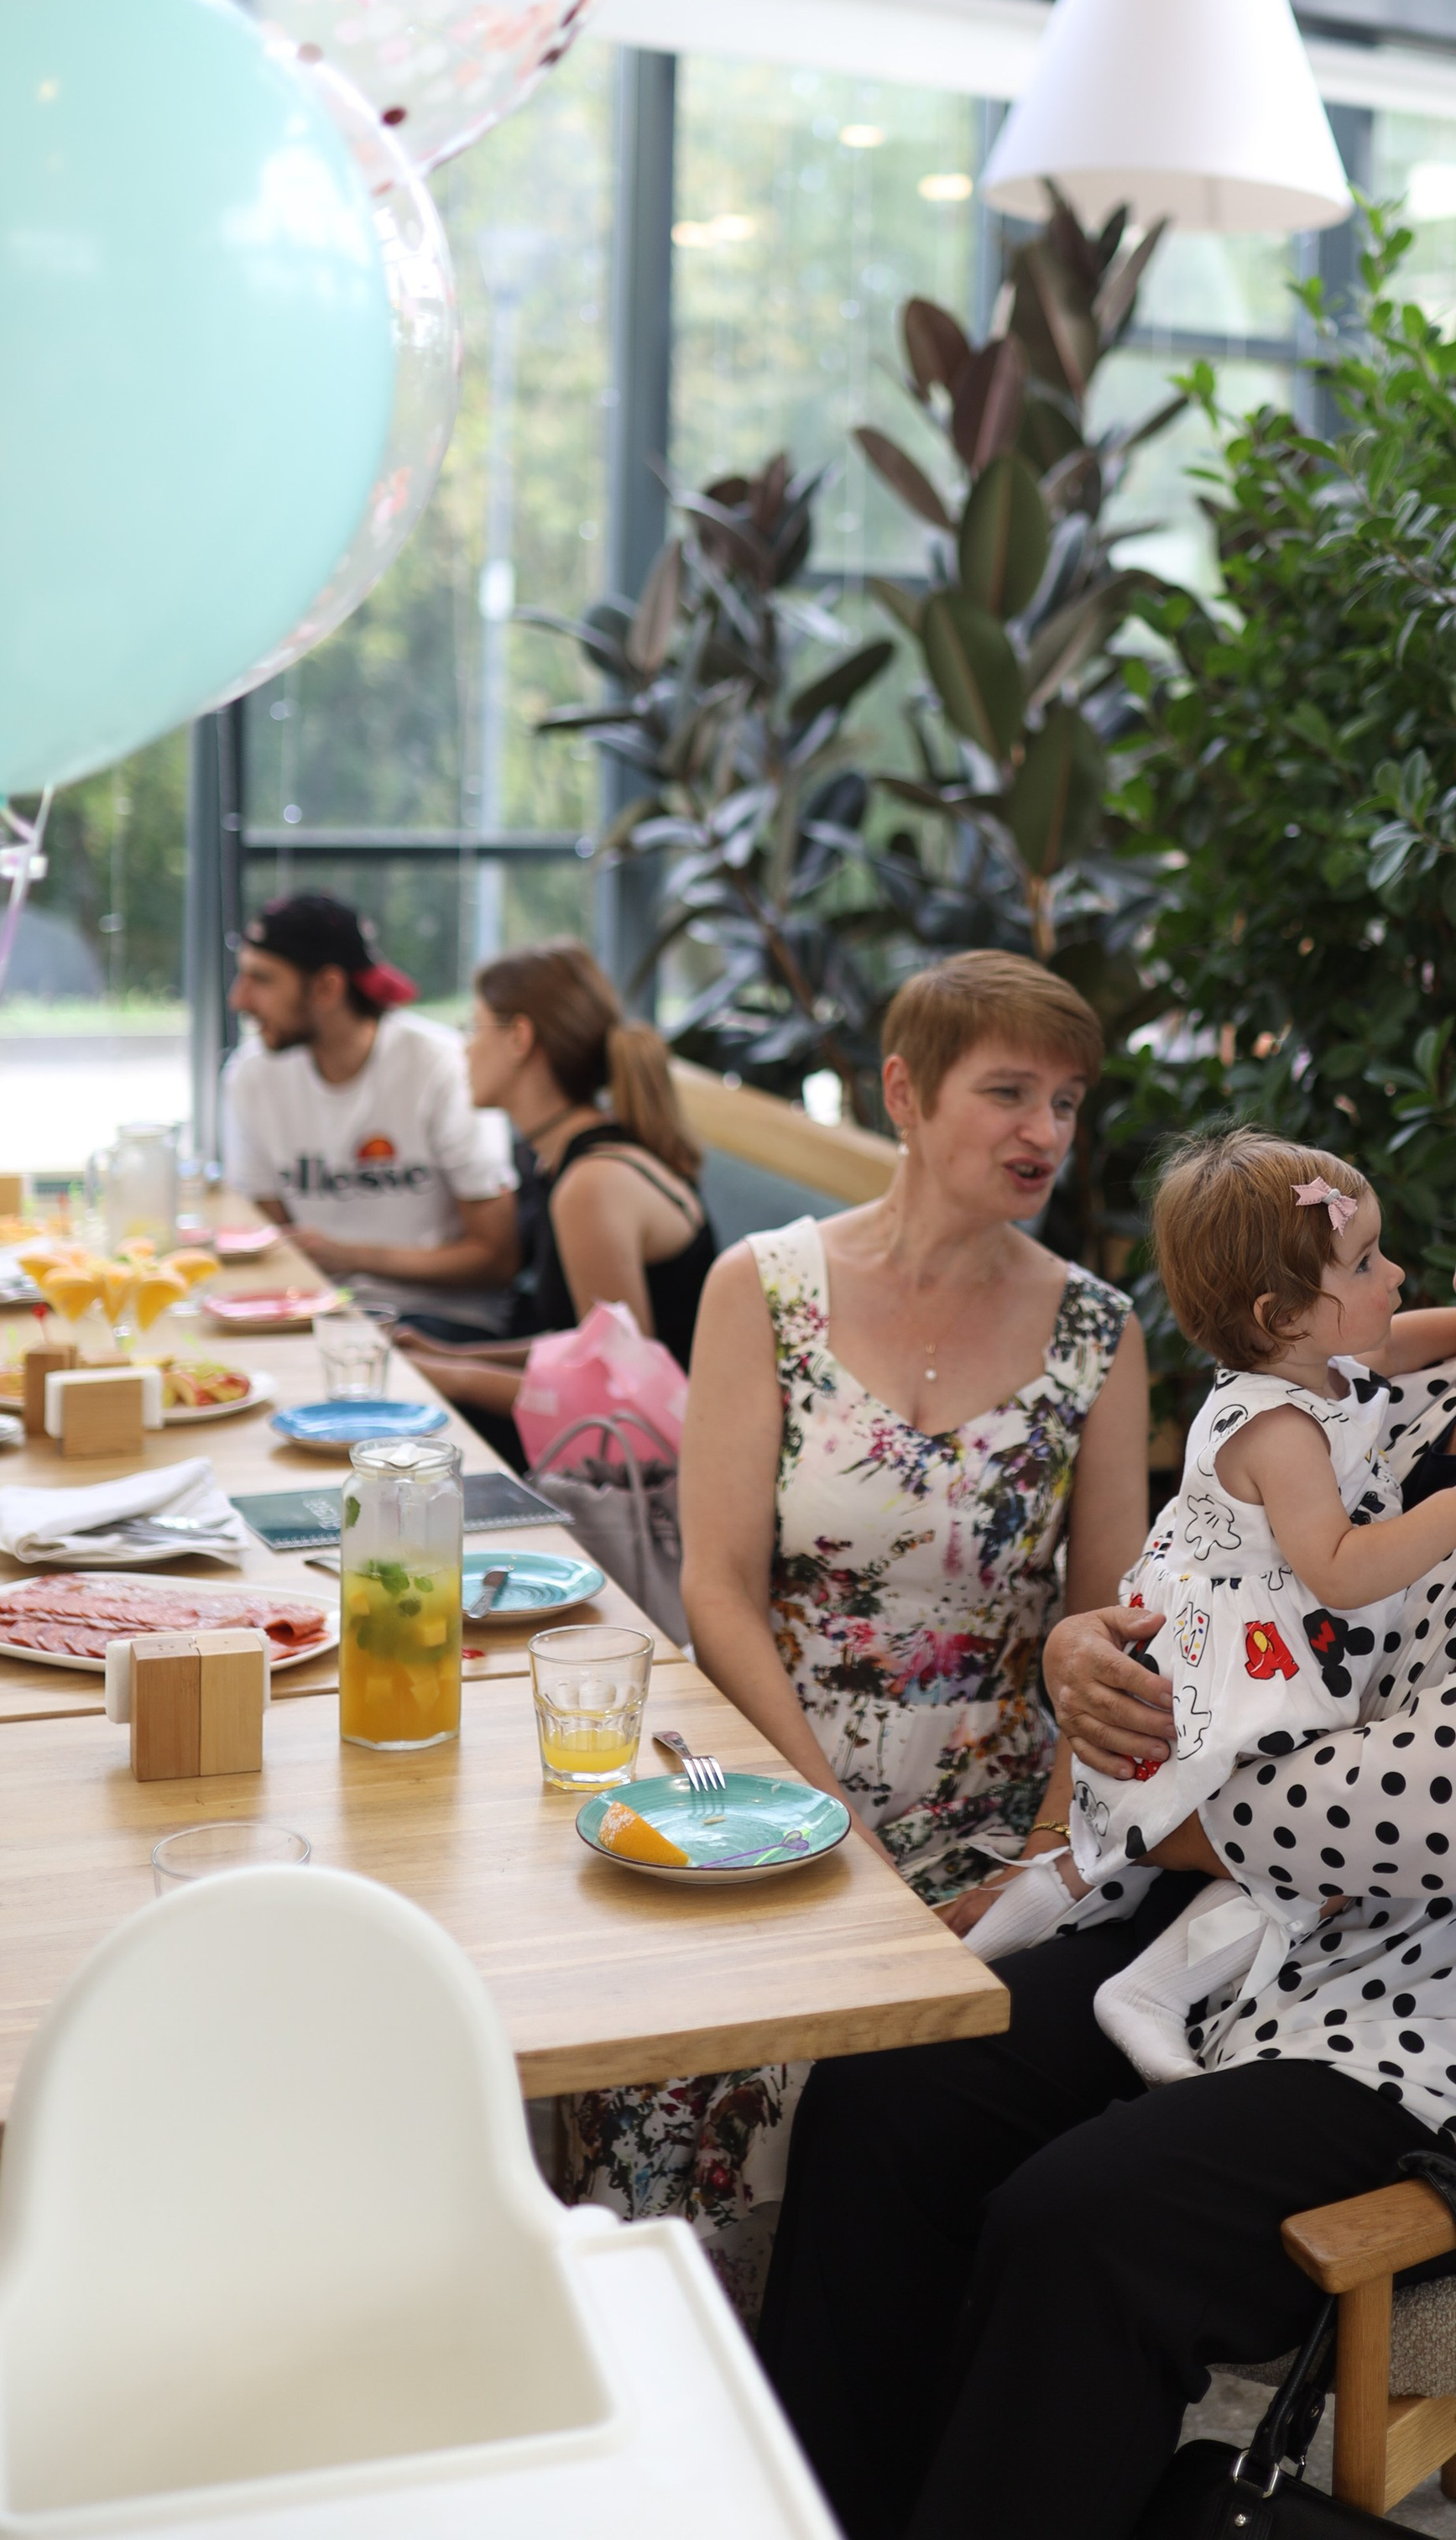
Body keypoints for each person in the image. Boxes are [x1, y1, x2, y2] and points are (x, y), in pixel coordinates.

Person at [754, 1074, 1456, 2540]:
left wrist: (1169, 1815)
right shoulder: (1393, 1392)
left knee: (1084, 2231)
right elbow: (1201, 1565)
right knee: (883, 2099)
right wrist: (1086, 1652)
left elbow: (1438, 1810)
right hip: (1254, 1939)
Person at [557, 949, 1152, 2314]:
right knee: (669, 2041)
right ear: (903, 1092)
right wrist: (829, 1814)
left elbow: (1106, 1636)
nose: (1045, 1132)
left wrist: (1047, 1863)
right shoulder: (761, 1289)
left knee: (918, 2065)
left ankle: (862, 2395)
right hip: (760, 1772)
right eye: (1008, 1092)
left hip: (1001, 1799)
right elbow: (716, 1586)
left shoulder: (1096, 1331)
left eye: (1065, 1101)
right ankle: (670, 2370)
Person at [963, 1130, 1456, 2088]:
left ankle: (1043, 1960)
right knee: (1289, 1859)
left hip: (1240, 1630)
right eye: (1365, 1261)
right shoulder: (1278, 1428)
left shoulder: (1316, 1369)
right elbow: (1336, 1570)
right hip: (1253, 1657)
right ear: (1282, 1313)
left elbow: (1436, 1336)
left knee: (1111, 1840)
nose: (1399, 1274)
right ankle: (1111, 1983)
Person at [394, 941, 713, 1447]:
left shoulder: (592, 1185)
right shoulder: (560, 1159)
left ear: (519, 1037)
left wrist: (449, 1376)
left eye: (475, 1029)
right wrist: (447, 1355)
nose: (465, 1049)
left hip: (651, 1457)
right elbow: (580, 1347)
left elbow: (621, 1397)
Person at [222, 892, 517, 1332]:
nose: (238, 999)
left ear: (326, 987)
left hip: (440, 1322)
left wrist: (352, 1257)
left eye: (261, 980)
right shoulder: (251, 1076)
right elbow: (275, 1240)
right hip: (320, 1314)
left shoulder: (440, 1067)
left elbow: (497, 1258)